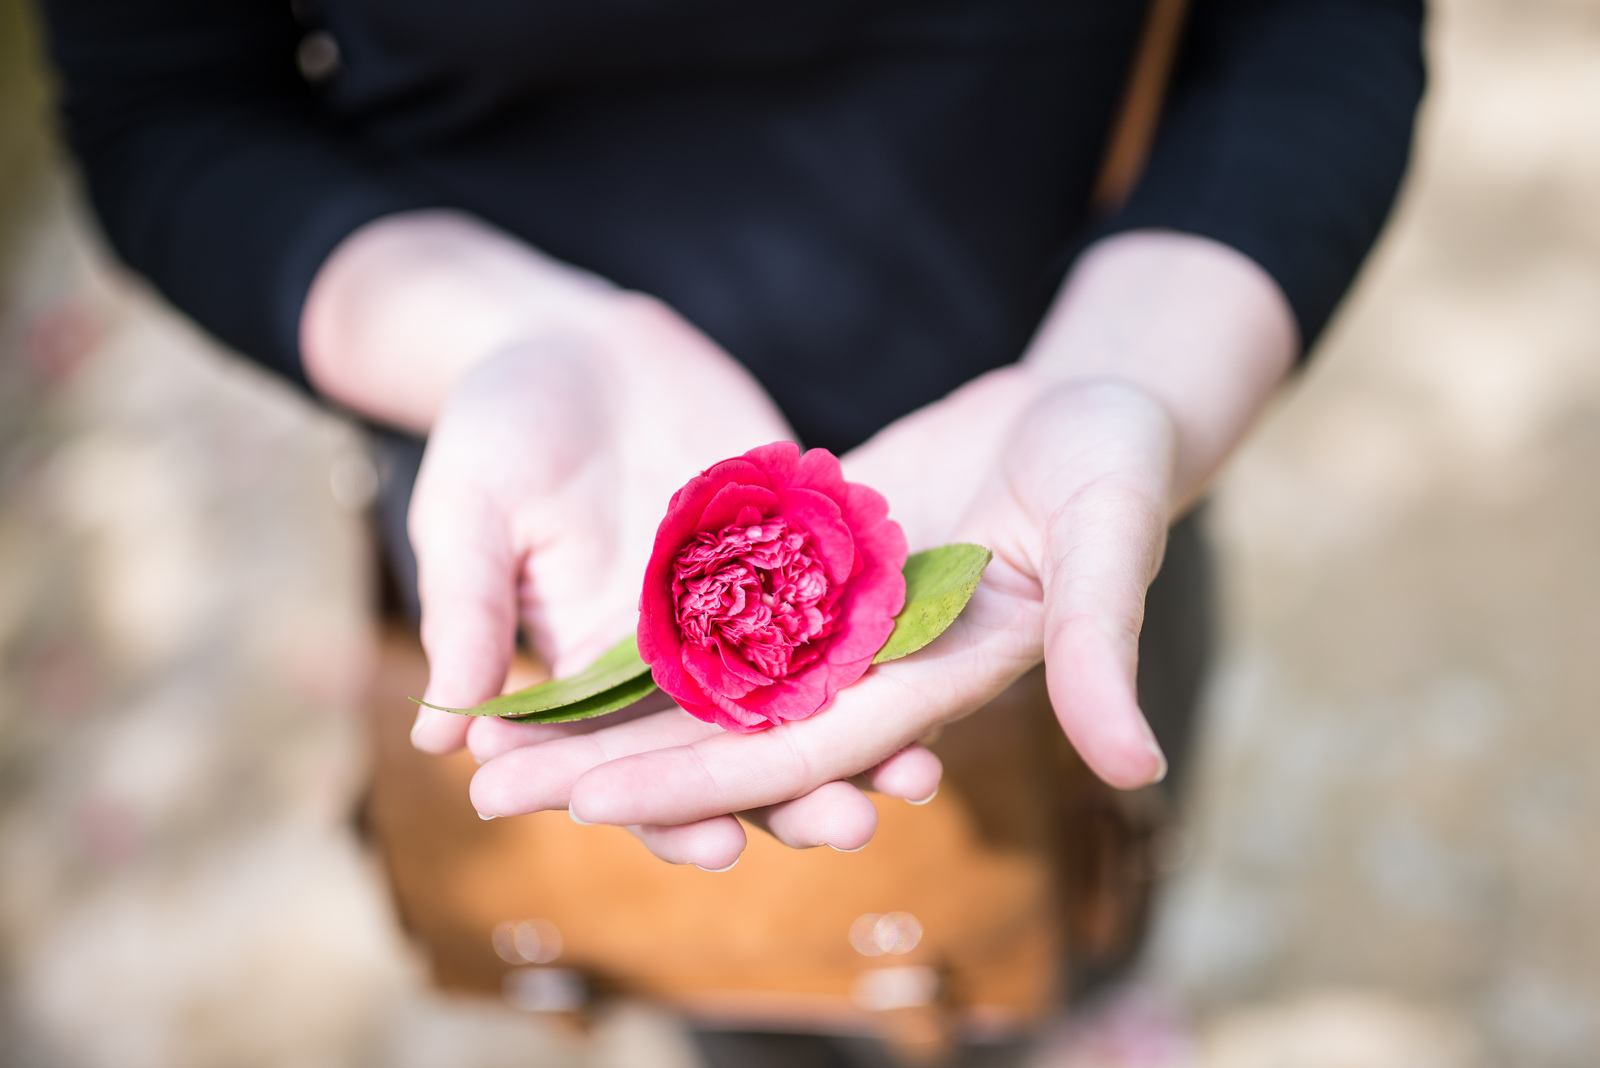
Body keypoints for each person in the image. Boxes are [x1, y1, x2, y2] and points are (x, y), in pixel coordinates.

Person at [37, 0, 1425, 1058]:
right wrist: (481, 333)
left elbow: (1317, 30)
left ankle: (1059, 1005)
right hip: (558, 496)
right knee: (741, 965)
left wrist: (1137, 374)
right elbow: (167, 108)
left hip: (1041, 483)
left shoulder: (1072, 456)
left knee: (1068, 901)